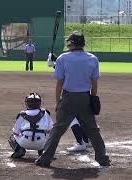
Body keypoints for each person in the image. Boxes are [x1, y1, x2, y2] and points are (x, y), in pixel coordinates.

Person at [35, 31, 110, 167]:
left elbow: (59, 84)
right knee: (93, 130)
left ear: (71, 43)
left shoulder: (62, 58)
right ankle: (103, 159)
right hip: (85, 98)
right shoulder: (93, 59)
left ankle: (45, 159)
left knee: (57, 130)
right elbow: (94, 83)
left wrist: (58, 102)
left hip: (68, 98)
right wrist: (93, 98)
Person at [8, 93, 53, 158]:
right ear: (39, 103)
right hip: (41, 144)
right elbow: (50, 130)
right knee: (50, 136)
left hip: (24, 143)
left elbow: (15, 132)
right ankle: (43, 152)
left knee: (12, 137)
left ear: (27, 103)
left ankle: (19, 150)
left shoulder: (22, 114)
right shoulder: (45, 113)